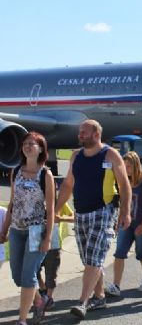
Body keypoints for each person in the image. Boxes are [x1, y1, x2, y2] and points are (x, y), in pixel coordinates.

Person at [55, 120, 132, 320]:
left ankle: (82, 302)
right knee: (88, 259)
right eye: (79, 132)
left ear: (96, 134)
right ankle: (99, 296)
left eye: (84, 132)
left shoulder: (110, 155)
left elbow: (124, 185)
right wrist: (54, 209)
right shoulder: (76, 156)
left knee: (94, 257)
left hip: (103, 212)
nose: (80, 135)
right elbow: (67, 184)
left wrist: (125, 211)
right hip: (80, 213)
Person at [0, 132, 55, 325]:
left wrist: (47, 238)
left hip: (36, 231)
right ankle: (40, 301)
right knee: (17, 275)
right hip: (16, 229)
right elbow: (12, 203)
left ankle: (22, 320)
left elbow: (51, 209)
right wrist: (4, 229)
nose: (27, 146)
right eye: (25, 143)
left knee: (28, 275)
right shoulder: (16, 171)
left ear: (41, 149)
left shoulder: (45, 174)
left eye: (32, 143)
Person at [105, 151, 142, 297]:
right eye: (124, 166)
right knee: (119, 252)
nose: (126, 169)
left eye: (129, 166)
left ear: (136, 165)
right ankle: (116, 285)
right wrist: (118, 220)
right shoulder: (123, 182)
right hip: (126, 223)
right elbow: (122, 204)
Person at [37, 202, 74, 310]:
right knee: (34, 271)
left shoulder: (60, 202)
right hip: (35, 242)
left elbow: (74, 217)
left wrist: (61, 218)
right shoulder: (35, 198)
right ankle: (43, 291)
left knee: (51, 272)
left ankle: (48, 298)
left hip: (54, 244)